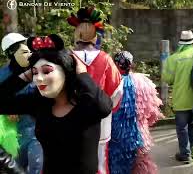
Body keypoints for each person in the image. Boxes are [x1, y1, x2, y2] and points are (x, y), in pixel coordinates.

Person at [0, 34, 113, 174]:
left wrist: (82, 74)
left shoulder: (87, 103)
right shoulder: (40, 103)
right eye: (35, 73)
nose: (39, 78)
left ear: (66, 71)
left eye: (46, 71)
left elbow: (105, 107)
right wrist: (26, 76)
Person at [67, 7, 123, 174]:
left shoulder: (67, 57)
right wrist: (106, 108)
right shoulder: (105, 59)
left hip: (70, 118)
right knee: (100, 163)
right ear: (95, 35)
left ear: (77, 33)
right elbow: (117, 91)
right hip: (100, 121)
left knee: (71, 161)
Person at [112, 51, 164, 174]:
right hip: (139, 133)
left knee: (117, 164)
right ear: (132, 64)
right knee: (139, 164)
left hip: (115, 133)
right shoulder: (142, 82)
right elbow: (152, 112)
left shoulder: (111, 82)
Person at [1, 32, 43, 174]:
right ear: (10, 53)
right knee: (16, 169)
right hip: (12, 135)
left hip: (36, 130)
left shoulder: (36, 69)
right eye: (17, 48)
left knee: (37, 166)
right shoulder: (2, 75)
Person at [162, 30, 193, 163]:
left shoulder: (173, 59)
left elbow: (167, 78)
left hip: (180, 99)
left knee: (182, 128)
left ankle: (185, 153)